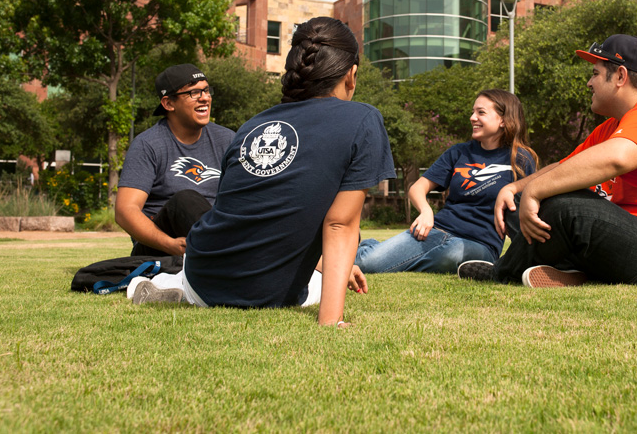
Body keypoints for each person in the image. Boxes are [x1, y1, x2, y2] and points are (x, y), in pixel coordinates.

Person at [133, 17, 396, 327]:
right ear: (351, 75)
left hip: (202, 275)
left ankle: (177, 286)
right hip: (267, 293)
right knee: (326, 267)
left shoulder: (252, 125)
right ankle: (174, 286)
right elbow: (340, 224)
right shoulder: (363, 118)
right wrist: (331, 320)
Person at [458, 34, 637, 288]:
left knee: (564, 206)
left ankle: (503, 272)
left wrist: (534, 192)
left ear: (620, 77)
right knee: (514, 202)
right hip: (628, 241)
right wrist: (514, 189)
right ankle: (568, 269)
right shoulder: (614, 125)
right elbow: (565, 166)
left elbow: (616, 159)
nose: (589, 82)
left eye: (595, 73)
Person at [355, 89, 537, 274]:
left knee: (450, 256)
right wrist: (426, 212)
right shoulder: (459, 152)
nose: (472, 118)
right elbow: (417, 187)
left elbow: (529, 205)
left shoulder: (521, 159)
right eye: (472, 112)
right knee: (367, 263)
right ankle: (374, 248)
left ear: (503, 120)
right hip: (437, 230)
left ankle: (391, 255)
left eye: (481, 112)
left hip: (481, 244)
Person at [115, 63, 234, 257]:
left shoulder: (227, 139)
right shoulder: (148, 144)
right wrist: (168, 244)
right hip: (161, 247)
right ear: (168, 104)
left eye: (206, 90)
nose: (204, 97)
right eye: (193, 93)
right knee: (185, 199)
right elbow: (125, 210)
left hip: (214, 238)